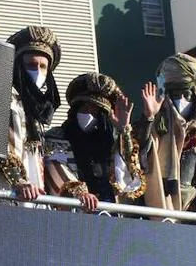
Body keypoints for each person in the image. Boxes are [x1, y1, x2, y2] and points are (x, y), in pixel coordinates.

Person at [135, 53, 196, 223]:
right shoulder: (155, 126)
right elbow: (138, 157)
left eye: (186, 95)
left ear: (195, 96)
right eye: (175, 95)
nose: (181, 101)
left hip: (194, 215)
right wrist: (149, 118)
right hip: (156, 213)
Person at [0, 25, 62, 202]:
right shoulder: (3, 97)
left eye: (43, 67)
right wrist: (18, 180)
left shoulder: (36, 114)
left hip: (31, 198)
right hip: (2, 193)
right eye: (31, 65)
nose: (38, 71)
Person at [43, 72, 145, 210]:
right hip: (73, 215)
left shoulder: (111, 141)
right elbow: (55, 167)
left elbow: (130, 178)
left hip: (110, 217)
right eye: (84, 108)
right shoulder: (56, 137)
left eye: (95, 111)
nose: (89, 114)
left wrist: (124, 130)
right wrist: (80, 194)